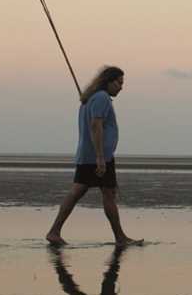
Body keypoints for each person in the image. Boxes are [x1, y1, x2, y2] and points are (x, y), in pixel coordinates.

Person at [46, 65, 142, 246]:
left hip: (91, 155)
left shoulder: (91, 98)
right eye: (119, 83)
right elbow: (96, 126)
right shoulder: (101, 98)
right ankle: (120, 238)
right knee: (102, 193)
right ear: (109, 82)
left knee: (92, 192)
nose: (121, 87)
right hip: (98, 156)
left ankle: (54, 231)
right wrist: (100, 157)